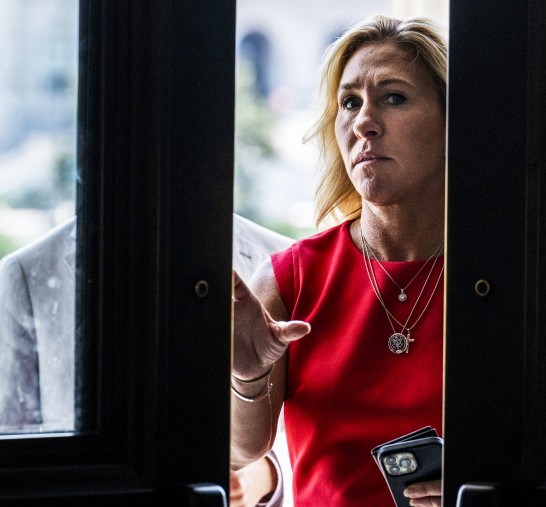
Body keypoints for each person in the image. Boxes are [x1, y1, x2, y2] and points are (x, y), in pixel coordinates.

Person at [230, 14, 447, 507]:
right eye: (350, 102)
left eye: (394, 97)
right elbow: (243, 450)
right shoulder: (290, 278)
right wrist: (247, 374)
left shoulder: (498, 276)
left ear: (452, 121)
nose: (364, 122)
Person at [0, 213, 293, 507]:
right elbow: (15, 447)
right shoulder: (26, 273)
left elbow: (319, 430)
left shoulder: (283, 263)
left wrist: (265, 473)